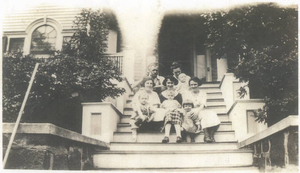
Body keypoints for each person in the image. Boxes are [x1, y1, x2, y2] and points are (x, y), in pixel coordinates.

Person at [182, 77, 220, 143]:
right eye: (191, 85)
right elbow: (186, 105)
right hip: (191, 110)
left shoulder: (203, 93)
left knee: (212, 114)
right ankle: (206, 135)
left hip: (200, 109)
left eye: (195, 84)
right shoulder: (187, 94)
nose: (193, 86)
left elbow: (202, 105)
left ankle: (210, 135)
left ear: (198, 84)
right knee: (204, 116)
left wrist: (198, 110)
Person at [130, 77, 161, 141]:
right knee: (135, 119)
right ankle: (135, 133)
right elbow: (133, 103)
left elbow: (157, 105)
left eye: (151, 83)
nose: (149, 85)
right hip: (139, 111)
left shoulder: (155, 94)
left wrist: (149, 110)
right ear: (144, 84)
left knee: (157, 112)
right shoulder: (139, 93)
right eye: (147, 83)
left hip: (150, 111)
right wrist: (137, 110)